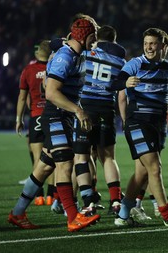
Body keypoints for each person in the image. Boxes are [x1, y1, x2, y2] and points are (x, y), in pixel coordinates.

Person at [8, 14, 101, 232]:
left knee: (44, 167)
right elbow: (50, 92)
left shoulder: (77, 53)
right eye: (93, 36)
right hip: (56, 114)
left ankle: (18, 212)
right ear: (83, 35)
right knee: (65, 162)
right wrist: (79, 110)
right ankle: (72, 217)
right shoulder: (65, 57)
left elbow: (57, 42)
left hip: (64, 115)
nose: (95, 41)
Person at [111, 27, 168, 229]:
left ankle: (123, 214)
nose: (148, 47)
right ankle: (167, 215)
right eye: (146, 43)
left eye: (153, 43)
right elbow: (115, 82)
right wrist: (126, 81)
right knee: (155, 168)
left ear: (163, 46)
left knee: (142, 174)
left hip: (158, 123)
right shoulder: (135, 64)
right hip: (138, 121)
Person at [73, 25, 125, 215]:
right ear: (114, 39)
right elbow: (121, 89)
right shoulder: (121, 60)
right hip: (106, 108)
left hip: (86, 107)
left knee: (82, 156)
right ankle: (116, 201)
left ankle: (88, 202)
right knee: (108, 157)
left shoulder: (86, 54)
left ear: (96, 38)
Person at [16, 40, 56, 206]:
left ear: (37, 53)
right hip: (53, 116)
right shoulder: (55, 68)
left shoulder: (29, 70)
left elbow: (23, 97)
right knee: (51, 159)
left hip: (36, 116)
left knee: (37, 160)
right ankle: (51, 196)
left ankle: (38, 196)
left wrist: (19, 119)